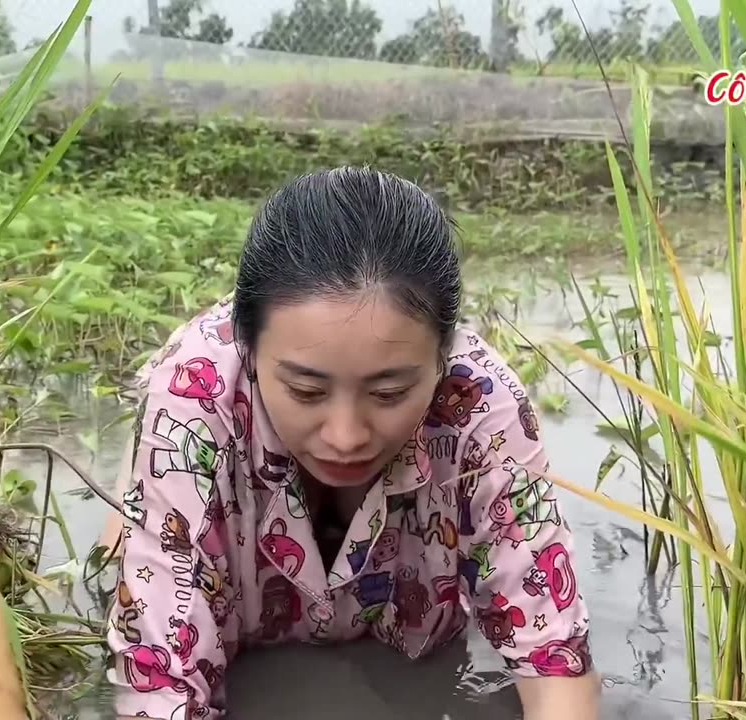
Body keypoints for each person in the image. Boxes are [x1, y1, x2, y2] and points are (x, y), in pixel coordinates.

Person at [105, 166, 599, 720]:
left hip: (406, 634)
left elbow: (554, 662)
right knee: (130, 563)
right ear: (249, 350)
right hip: (208, 528)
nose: (346, 437)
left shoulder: (481, 407)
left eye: (389, 393)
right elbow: (159, 685)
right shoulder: (194, 406)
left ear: (444, 357)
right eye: (306, 391)